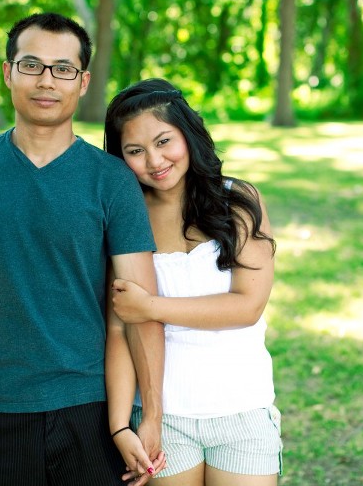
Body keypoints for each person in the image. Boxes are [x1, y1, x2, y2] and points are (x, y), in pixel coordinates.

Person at [0, 13, 166, 486]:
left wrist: (147, 413)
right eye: (32, 65)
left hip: (92, 405)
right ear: (8, 73)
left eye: (63, 68)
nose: (47, 80)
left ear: (83, 81)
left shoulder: (112, 179)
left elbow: (137, 305)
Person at [103, 78, 282, 486]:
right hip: (164, 419)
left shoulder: (238, 201)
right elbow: (119, 329)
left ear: (188, 134)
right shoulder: (127, 217)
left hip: (243, 411)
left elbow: (246, 306)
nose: (154, 160)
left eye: (164, 141)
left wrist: (151, 307)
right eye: (135, 151)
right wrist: (122, 426)